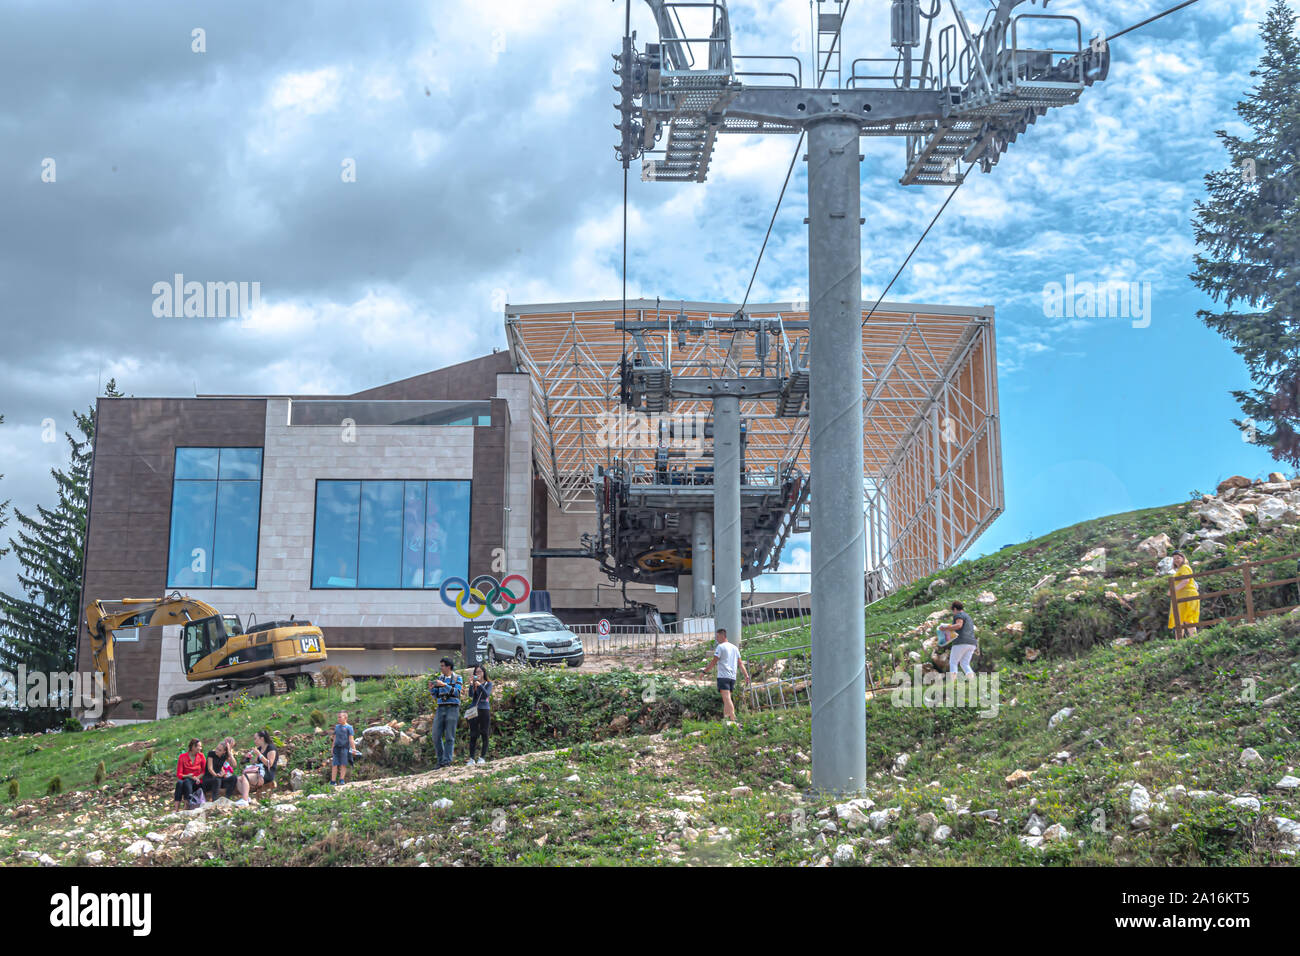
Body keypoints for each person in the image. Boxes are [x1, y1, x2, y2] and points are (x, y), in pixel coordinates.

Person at [701, 628, 749, 720]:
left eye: (718, 637)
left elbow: (713, 662)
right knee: (726, 699)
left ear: (723, 636)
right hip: (732, 677)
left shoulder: (720, 647)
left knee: (727, 699)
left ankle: (733, 718)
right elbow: (740, 663)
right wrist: (746, 675)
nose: (717, 639)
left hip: (723, 676)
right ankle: (725, 720)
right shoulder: (735, 648)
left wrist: (704, 672)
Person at [430, 658, 463, 768]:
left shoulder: (458, 678)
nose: (441, 668)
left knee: (450, 736)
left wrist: (444, 685)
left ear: (448, 667)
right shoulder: (440, 678)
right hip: (440, 708)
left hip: (452, 708)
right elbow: (436, 695)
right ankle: (440, 760)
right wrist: (432, 689)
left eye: (443, 666)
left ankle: (446, 761)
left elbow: (457, 692)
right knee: (435, 735)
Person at [234, 729, 278, 801]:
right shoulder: (260, 748)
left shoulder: (271, 748)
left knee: (245, 776)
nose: (254, 741)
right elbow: (256, 762)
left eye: (255, 739)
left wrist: (258, 754)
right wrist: (249, 758)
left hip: (267, 773)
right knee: (238, 779)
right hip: (259, 771)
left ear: (262, 738)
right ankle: (246, 797)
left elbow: (269, 764)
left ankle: (244, 800)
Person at [937, 601, 977, 675]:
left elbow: (959, 625)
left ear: (955, 609)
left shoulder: (959, 615)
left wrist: (946, 628)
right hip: (972, 643)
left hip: (961, 642)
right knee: (965, 664)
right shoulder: (968, 616)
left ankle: (954, 683)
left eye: (953, 611)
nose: (953, 613)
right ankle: (973, 681)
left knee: (953, 662)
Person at [1168, 551, 1200, 637]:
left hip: (1187, 595)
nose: (1176, 560)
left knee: (1188, 619)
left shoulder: (1185, 568)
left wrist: (1173, 590)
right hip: (1180, 597)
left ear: (1183, 558)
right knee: (1179, 620)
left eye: (1178, 558)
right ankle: (1180, 642)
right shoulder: (1179, 570)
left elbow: (1186, 581)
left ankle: (1194, 639)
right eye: (1174, 559)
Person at [466, 664, 492, 765]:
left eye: (480, 672)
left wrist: (479, 685)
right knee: (473, 734)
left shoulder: (488, 683)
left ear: (484, 673)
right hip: (474, 709)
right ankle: (471, 758)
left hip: (484, 709)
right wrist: (471, 685)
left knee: (484, 733)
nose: (478, 674)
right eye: (476, 672)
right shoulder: (474, 684)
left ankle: (482, 757)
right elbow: (471, 695)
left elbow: (486, 694)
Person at [202, 737, 240, 801]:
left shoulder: (224, 756)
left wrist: (229, 752)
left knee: (234, 778)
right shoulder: (211, 753)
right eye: (217, 748)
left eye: (219, 750)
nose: (217, 751)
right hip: (208, 780)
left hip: (218, 779)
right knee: (217, 780)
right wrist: (217, 775)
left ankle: (227, 798)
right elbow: (210, 768)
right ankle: (215, 800)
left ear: (224, 752)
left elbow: (234, 765)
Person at [174, 738, 206, 809]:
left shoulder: (201, 756)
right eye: (199, 746)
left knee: (187, 781)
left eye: (201, 746)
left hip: (197, 782)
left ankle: (187, 805)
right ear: (193, 747)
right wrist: (188, 776)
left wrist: (197, 778)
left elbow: (204, 771)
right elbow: (179, 774)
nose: (200, 748)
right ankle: (176, 809)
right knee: (180, 783)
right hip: (186, 779)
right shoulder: (182, 757)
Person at [331, 711, 355, 786]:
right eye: (338, 717)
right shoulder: (337, 727)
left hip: (345, 748)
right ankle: (333, 781)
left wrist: (354, 749)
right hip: (336, 748)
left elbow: (351, 739)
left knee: (343, 764)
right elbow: (335, 738)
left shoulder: (349, 727)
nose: (339, 719)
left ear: (345, 718)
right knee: (335, 764)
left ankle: (341, 780)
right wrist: (332, 747)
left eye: (340, 717)